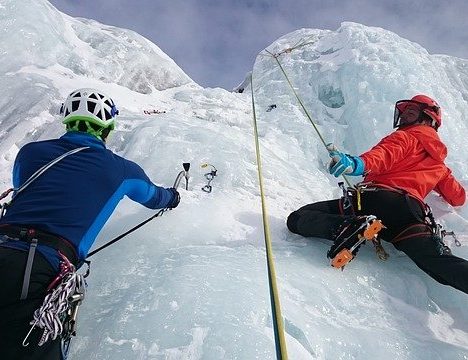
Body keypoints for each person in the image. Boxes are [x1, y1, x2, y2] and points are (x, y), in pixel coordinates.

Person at [0, 88, 180, 359]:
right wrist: (174, 197)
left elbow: (23, 188)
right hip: (40, 266)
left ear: (67, 120)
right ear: (107, 129)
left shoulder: (30, 153)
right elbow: (154, 197)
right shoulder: (121, 169)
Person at [287, 94, 468, 294]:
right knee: (440, 264)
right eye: (405, 113)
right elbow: (458, 197)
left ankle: (350, 226)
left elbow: (383, 156)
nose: (405, 117)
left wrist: (356, 164)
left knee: (298, 217)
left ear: (428, 118)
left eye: (411, 113)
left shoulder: (405, 137)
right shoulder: (440, 165)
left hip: (376, 200)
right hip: (409, 216)